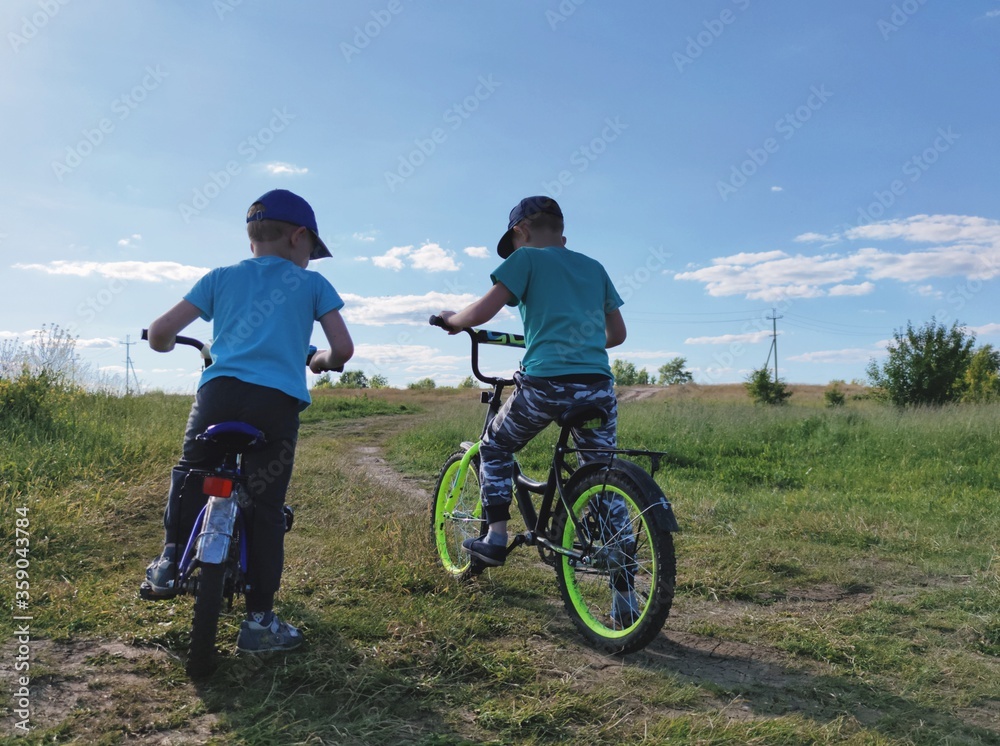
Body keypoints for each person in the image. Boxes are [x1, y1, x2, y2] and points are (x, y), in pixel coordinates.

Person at [141, 189, 354, 653]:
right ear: (300, 237)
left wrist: (161, 346)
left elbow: (161, 332)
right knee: (265, 505)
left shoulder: (219, 277)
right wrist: (321, 360)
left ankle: (167, 560)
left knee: (191, 470)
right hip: (274, 404)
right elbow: (343, 349)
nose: (310, 261)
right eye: (312, 252)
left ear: (251, 237)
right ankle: (259, 620)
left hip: (216, 395)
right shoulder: (313, 286)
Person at [435, 196, 631, 617]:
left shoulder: (525, 260)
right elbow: (616, 333)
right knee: (601, 472)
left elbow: (482, 310)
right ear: (562, 234)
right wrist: (579, 342)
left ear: (520, 233)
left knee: (495, 447)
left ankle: (497, 538)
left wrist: (452, 321)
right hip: (597, 386)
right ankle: (627, 598)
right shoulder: (594, 268)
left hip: (546, 383)